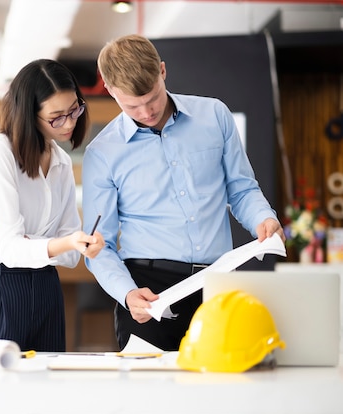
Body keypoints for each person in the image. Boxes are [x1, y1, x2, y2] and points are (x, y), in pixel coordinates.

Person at [82, 34, 285, 351]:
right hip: (147, 291)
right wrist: (126, 293)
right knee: (152, 398)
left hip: (217, 283)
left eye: (152, 98)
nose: (147, 112)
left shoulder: (215, 116)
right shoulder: (102, 153)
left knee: (221, 390)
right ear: (109, 90)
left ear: (162, 72)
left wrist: (263, 218)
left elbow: (242, 188)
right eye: (132, 105)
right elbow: (98, 245)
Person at [0, 59, 105, 352]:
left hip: (46, 286)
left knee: (46, 389)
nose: (70, 122)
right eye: (57, 117)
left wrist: (43, 240)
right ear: (29, 115)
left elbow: (70, 258)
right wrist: (61, 242)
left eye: (75, 109)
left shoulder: (61, 162)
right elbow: (11, 252)